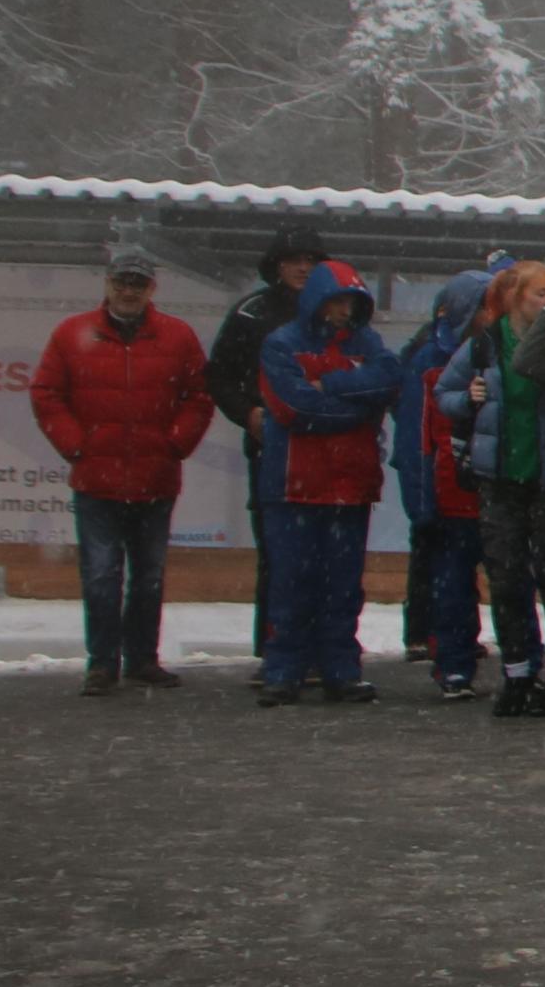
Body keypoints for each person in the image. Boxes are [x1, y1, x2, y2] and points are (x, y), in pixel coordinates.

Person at [29, 245, 216, 695]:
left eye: (138, 283)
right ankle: (101, 664)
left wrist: (175, 444)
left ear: (152, 289)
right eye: (122, 282)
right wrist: (76, 445)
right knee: (101, 576)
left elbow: (199, 396)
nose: (129, 291)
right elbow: (46, 393)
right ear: (107, 285)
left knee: (148, 577)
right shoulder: (71, 333)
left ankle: (142, 659)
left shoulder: (178, 336)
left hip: (155, 479)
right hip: (96, 482)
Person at [440, 260, 545, 715]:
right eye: (539, 293)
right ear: (513, 297)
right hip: (499, 477)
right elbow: (444, 393)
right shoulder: (484, 343)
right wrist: (467, 398)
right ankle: (518, 674)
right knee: (505, 579)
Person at [252, 259, 401, 706]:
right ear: (316, 301)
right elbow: (294, 408)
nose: (344, 311)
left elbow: (390, 381)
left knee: (343, 585)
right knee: (291, 583)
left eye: (350, 303)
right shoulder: (281, 343)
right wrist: (358, 407)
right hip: (294, 484)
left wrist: (328, 385)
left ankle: (340, 670)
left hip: (349, 486)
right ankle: (284, 671)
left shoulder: (366, 342)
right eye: (337, 302)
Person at [208, 220, 325, 671]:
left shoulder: (337, 309)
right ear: (276, 265)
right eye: (294, 260)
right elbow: (219, 376)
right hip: (271, 450)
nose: (303, 268)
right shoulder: (251, 313)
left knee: (322, 556)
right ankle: (274, 653)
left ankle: (317, 653)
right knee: (277, 554)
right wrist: (249, 413)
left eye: (311, 261)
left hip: (326, 452)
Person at [392, 268, 492, 702]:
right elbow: (415, 437)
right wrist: (421, 502)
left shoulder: (504, 352)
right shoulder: (429, 361)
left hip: (495, 490)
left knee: (510, 586)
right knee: (452, 585)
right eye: (488, 306)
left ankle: (518, 667)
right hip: (450, 494)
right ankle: (453, 665)